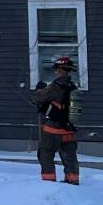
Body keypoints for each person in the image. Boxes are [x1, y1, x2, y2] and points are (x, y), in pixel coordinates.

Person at [35, 55, 80, 185]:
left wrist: (40, 89)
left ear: (60, 69)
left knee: (45, 154)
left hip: (53, 130)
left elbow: (39, 98)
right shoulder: (73, 86)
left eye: (56, 69)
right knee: (70, 157)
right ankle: (73, 181)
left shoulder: (55, 87)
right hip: (69, 131)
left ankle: (49, 183)